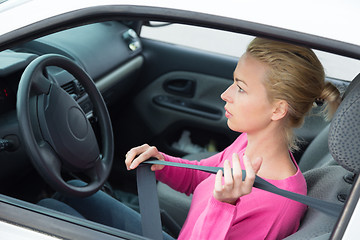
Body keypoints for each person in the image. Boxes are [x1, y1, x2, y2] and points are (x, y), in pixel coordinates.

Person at [39, 37, 341, 239]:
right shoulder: (247, 144)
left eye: (241, 87)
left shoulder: (279, 207)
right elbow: (201, 176)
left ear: (278, 109)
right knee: (74, 189)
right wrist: (161, 161)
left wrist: (225, 204)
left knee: (50, 215)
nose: (226, 94)